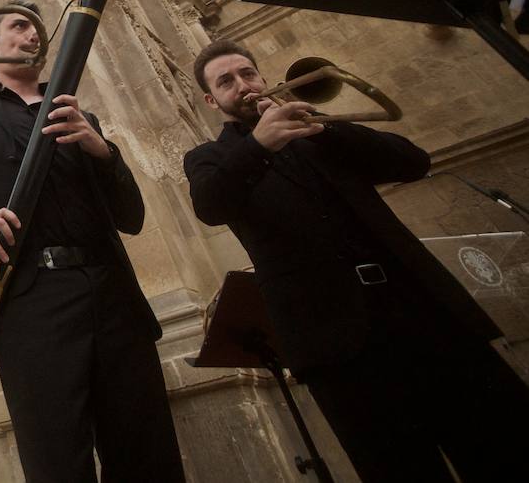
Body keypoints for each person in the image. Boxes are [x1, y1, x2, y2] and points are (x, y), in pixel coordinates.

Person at [185, 39, 529, 483]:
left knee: (507, 449)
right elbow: (211, 205)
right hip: (337, 346)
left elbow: (413, 162)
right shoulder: (209, 158)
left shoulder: (322, 135)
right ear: (213, 100)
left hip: (426, 316)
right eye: (226, 82)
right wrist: (257, 145)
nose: (242, 85)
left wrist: (326, 128)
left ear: (263, 77)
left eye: (247, 73)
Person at [0, 2, 184, 483]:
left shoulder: (78, 114)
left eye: (38, 30)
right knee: (56, 459)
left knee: (147, 453)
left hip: (112, 297)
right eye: (19, 26)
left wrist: (101, 148)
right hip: (28, 301)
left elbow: (132, 217)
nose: (32, 35)